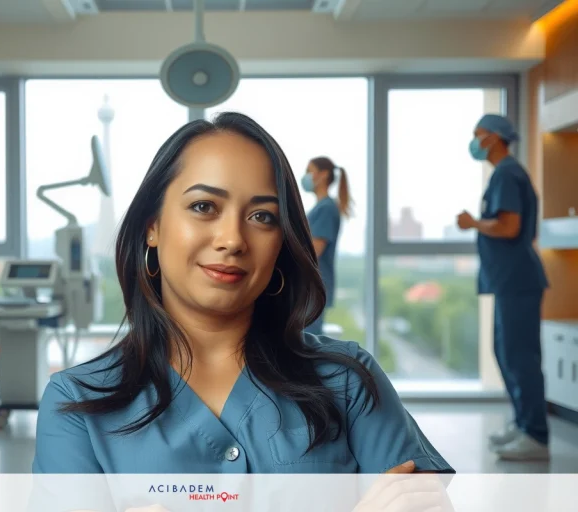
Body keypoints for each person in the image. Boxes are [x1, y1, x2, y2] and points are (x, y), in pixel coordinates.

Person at [33, 112, 453, 475]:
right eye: (203, 207)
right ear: (152, 226)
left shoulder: (349, 381)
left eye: (262, 216)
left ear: (281, 242)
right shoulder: (77, 406)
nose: (233, 239)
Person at [457, 113, 550, 461]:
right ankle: (523, 423)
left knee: (520, 356)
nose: (474, 141)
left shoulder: (508, 173)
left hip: (518, 280)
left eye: (477, 134)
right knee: (505, 352)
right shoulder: (504, 174)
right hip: (509, 280)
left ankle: (536, 434)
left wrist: (473, 223)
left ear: (495, 137)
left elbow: (510, 227)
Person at [301, 157, 352, 335]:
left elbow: (314, 251)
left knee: (306, 343)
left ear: (323, 175)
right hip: (311, 287)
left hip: (313, 287)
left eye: (310, 170)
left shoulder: (326, 209)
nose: (306, 176)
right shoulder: (321, 207)